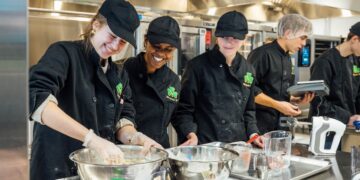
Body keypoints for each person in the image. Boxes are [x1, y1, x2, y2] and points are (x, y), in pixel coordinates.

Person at [29, 0, 160, 179]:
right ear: (96, 25)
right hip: (57, 169)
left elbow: (123, 119)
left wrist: (136, 138)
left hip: (96, 173)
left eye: (122, 42)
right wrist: (91, 139)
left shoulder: (119, 74)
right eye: (112, 36)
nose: (115, 46)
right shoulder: (64, 54)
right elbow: (38, 101)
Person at [173, 11, 263, 147]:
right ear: (217, 35)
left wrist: (253, 134)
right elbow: (184, 109)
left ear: (244, 39)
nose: (229, 42)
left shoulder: (248, 70)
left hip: (237, 145)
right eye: (225, 37)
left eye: (235, 38)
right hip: (205, 144)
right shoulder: (197, 66)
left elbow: (249, 111)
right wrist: (190, 133)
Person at [119, 16, 181, 148]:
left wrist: (189, 132)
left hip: (159, 149)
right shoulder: (123, 71)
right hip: (127, 150)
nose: (161, 53)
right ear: (145, 41)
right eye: (156, 46)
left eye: (168, 49)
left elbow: (178, 114)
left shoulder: (173, 81)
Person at [247, 14, 315, 134]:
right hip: (259, 127)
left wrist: (294, 99)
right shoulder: (262, 54)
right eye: (302, 38)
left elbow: (274, 91)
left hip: (280, 126)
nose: (304, 43)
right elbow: (248, 90)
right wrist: (277, 105)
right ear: (288, 33)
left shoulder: (288, 58)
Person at [309, 22, 360, 126]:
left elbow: (357, 94)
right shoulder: (325, 62)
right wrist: (346, 117)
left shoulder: (355, 60)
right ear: (355, 39)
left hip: (348, 125)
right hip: (326, 127)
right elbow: (317, 99)